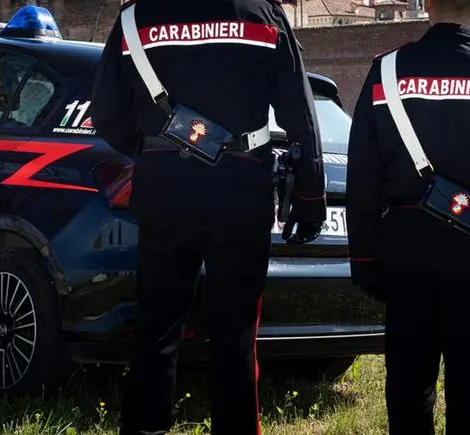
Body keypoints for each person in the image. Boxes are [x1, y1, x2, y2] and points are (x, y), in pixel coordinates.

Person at [90, 0, 327, 434]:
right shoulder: (262, 14)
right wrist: (311, 194)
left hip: (165, 189)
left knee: (157, 323)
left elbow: (105, 113)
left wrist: (152, 153)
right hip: (240, 189)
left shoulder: (133, 18)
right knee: (235, 329)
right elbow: (299, 109)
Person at [347, 0, 470, 432]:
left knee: (408, 382)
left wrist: (364, 260)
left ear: (428, 5)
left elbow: (361, 174)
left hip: (407, 247)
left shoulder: (386, 72)